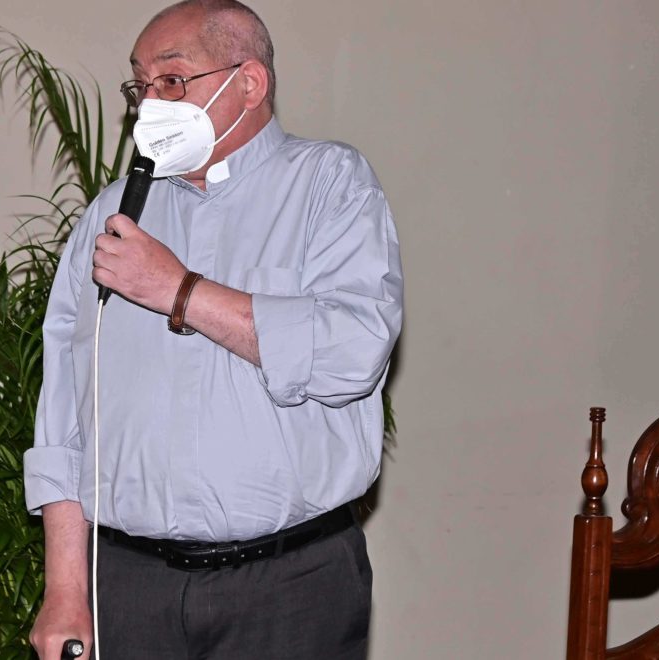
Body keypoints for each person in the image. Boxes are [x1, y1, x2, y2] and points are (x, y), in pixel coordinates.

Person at [24, 1, 403, 657]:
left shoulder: (329, 185)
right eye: (140, 86)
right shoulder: (114, 214)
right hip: (129, 582)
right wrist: (64, 587)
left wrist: (180, 290)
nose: (149, 104)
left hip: (289, 583)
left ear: (249, 83)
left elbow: (353, 354)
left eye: (172, 81)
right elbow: (64, 410)